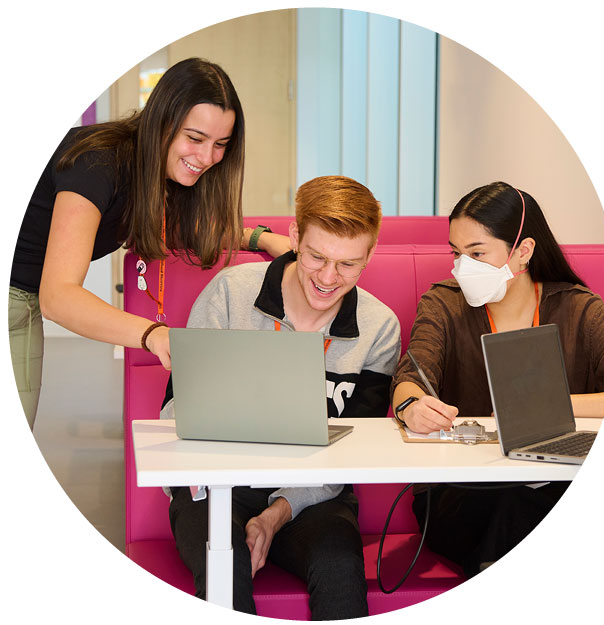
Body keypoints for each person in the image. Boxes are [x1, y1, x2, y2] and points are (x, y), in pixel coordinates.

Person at [160, 175, 401, 618]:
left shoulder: (379, 327)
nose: (329, 279)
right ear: (294, 236)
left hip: (315, 496)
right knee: (223, 567)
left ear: (369, 256)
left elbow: (354, 450)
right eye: (316, 257)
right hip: (218, 485)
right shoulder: (230, 293)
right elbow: (177, 410)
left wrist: (277, 513)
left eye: (349, 265)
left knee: (339, 568)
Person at [9, 57, 289, 430]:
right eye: (195, 138)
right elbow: (58, 296)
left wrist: (261, 238)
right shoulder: (98, 161)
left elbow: (188, 228)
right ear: (162, 121)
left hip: (23, 306)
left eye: (220, 144)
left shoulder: (157, 174)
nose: (207, 158)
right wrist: (152, 334)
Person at [391, 181, 604, 577]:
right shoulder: (443, 302)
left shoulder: (579, 310)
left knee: (535, 503)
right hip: (461, 491)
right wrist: (410, 406)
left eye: (477, 253)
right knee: (518, 507)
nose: (462, 267)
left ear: (523, 251)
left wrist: (549, 407)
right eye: (456, 253)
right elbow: (410, 379)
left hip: (555, 480)